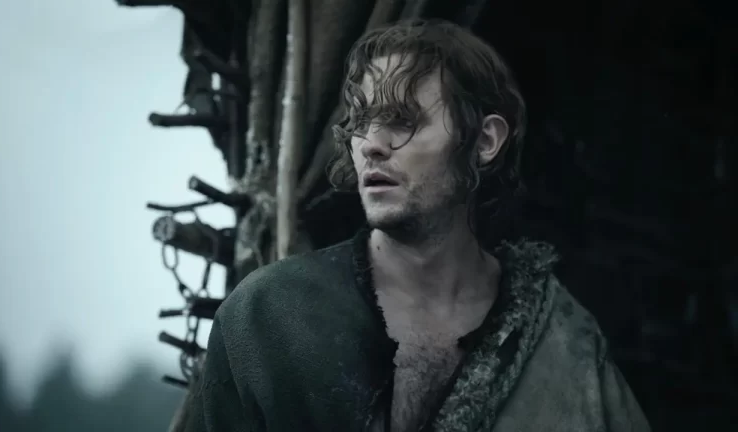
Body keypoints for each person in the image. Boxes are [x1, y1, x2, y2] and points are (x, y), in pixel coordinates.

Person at [183, 19, 650, 432]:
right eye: (361, 122)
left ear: (485, 141)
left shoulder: (563, 340)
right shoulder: (269, 316)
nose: (371, 144)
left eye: (402, 120)